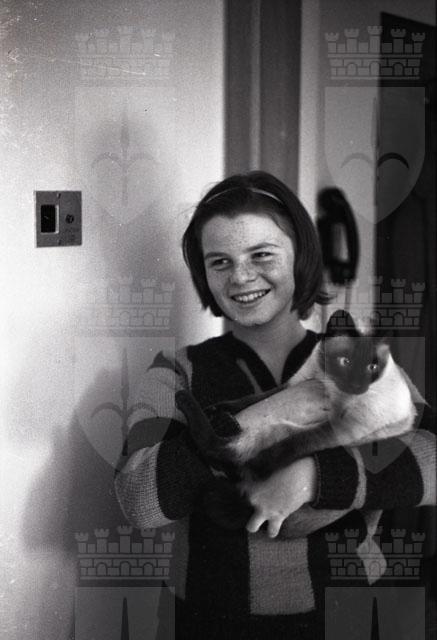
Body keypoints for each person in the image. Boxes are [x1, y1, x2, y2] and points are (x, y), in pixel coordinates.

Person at [115, 171, 435, 639]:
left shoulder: (356, 357)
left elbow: (432, 456)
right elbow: (139, 500)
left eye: (262, 254)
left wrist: (313, 478)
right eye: (219, 262)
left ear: (301, 257)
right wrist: (266, 411)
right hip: (210, 622)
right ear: (203, 275)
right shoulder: (177, 371)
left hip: (349, 613)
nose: (241, 276)